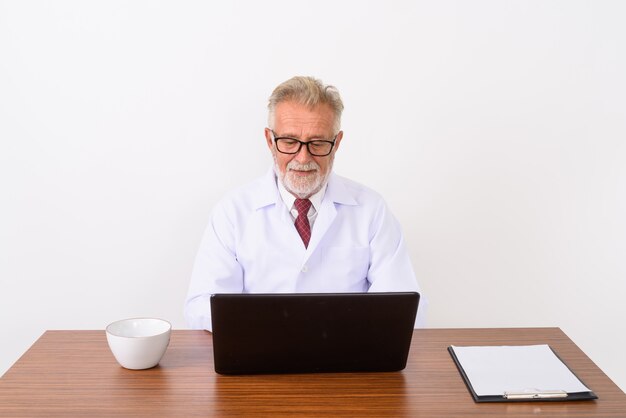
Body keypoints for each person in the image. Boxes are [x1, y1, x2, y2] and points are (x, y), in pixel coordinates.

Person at [184, 76, 426, 330]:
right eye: (289, 142)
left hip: (348, 362)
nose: (302, 158)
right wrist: (277, 325)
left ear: (337, 143)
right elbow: (202, 306)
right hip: (259, 358)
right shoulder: (232, 212)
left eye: (317, 143)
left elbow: (406, 307)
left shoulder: (371, 210)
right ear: (270, 141)